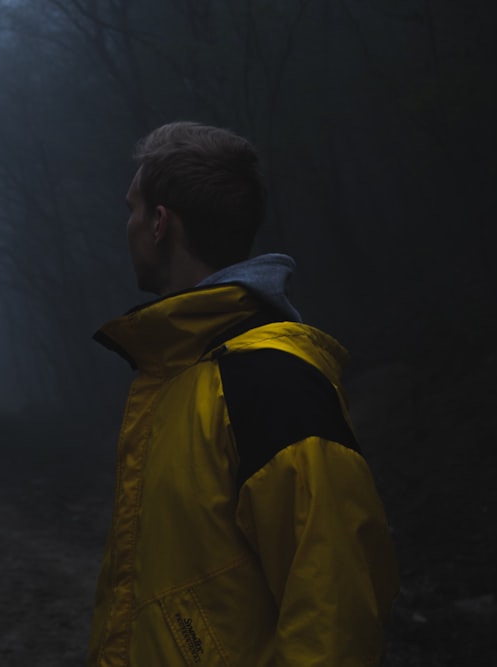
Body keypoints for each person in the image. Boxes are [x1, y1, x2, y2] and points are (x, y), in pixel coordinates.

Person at [86, 122, 398, 666]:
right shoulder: (176, 374)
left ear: (160, 224)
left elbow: (336, 615)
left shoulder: (271, 383)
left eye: (132, 209)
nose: (127, 224)